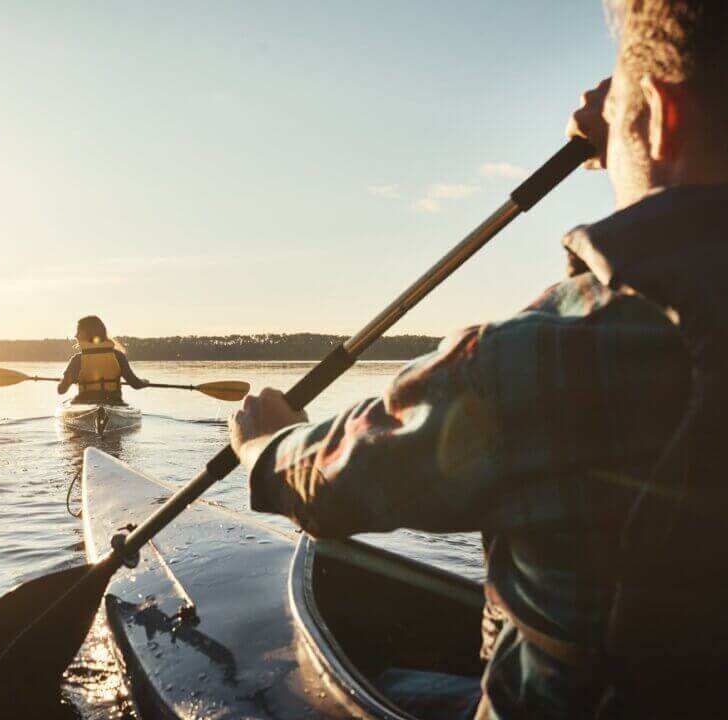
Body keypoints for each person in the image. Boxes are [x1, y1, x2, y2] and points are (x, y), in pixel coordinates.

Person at [228, 1, 728, 717]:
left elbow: (331, 482)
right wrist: (637, 121)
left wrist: (265, 443)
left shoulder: (548, 354)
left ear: (658, 111)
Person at [58, 315, 149, 405]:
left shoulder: (77, 360)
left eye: (79, 331)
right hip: (113, 401)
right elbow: (136, 384)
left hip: (84, 402)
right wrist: (145, 382)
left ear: (89, 333)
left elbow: (61, 390)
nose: (75, 335)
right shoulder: (118, 356)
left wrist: (65, 380)